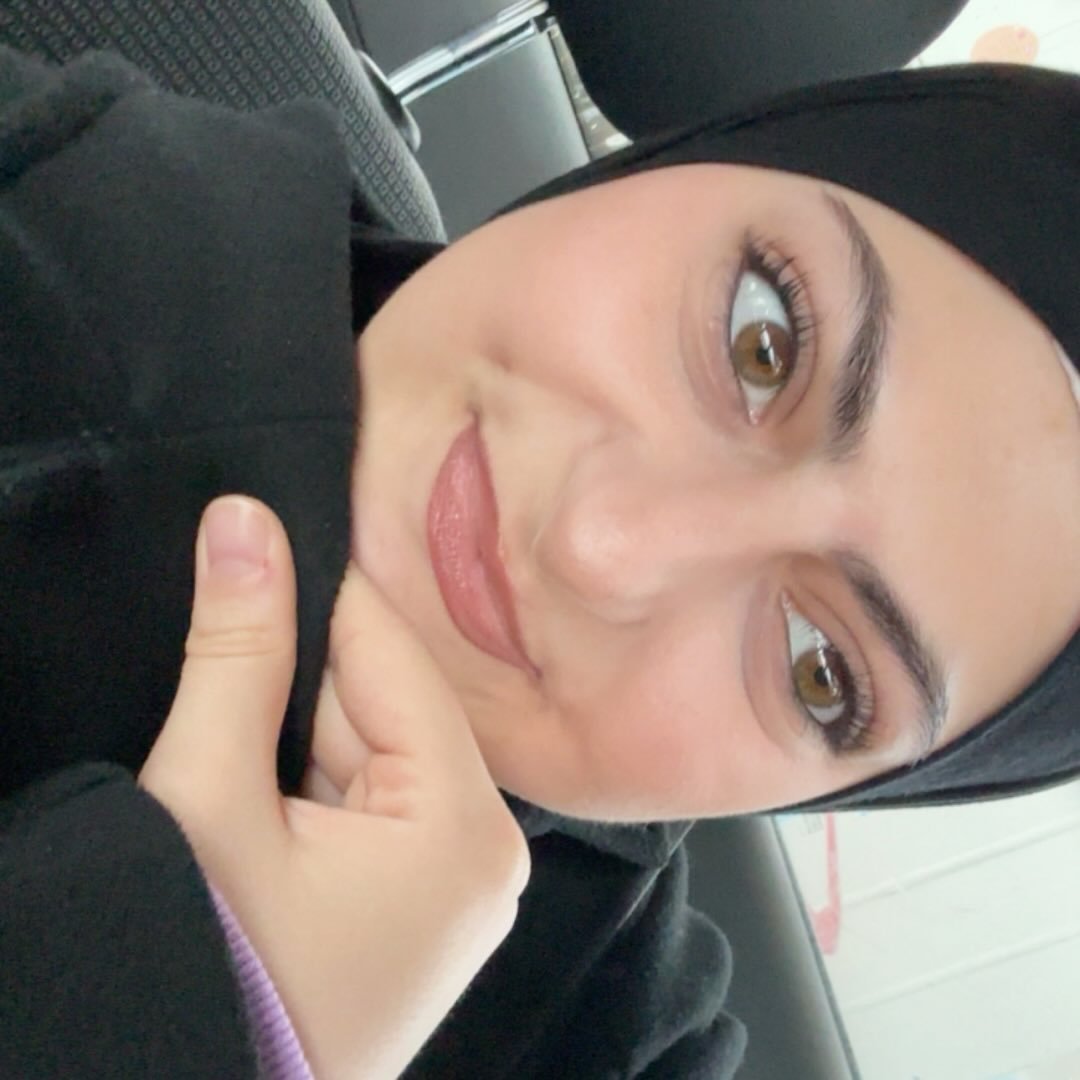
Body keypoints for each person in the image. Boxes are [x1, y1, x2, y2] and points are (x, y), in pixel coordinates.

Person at [2, 42, 1078, 1078]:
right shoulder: (54, 198)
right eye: (763, 342)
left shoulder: (609, 1032)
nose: (599, 546)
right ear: (679, 163)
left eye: (821, 673)